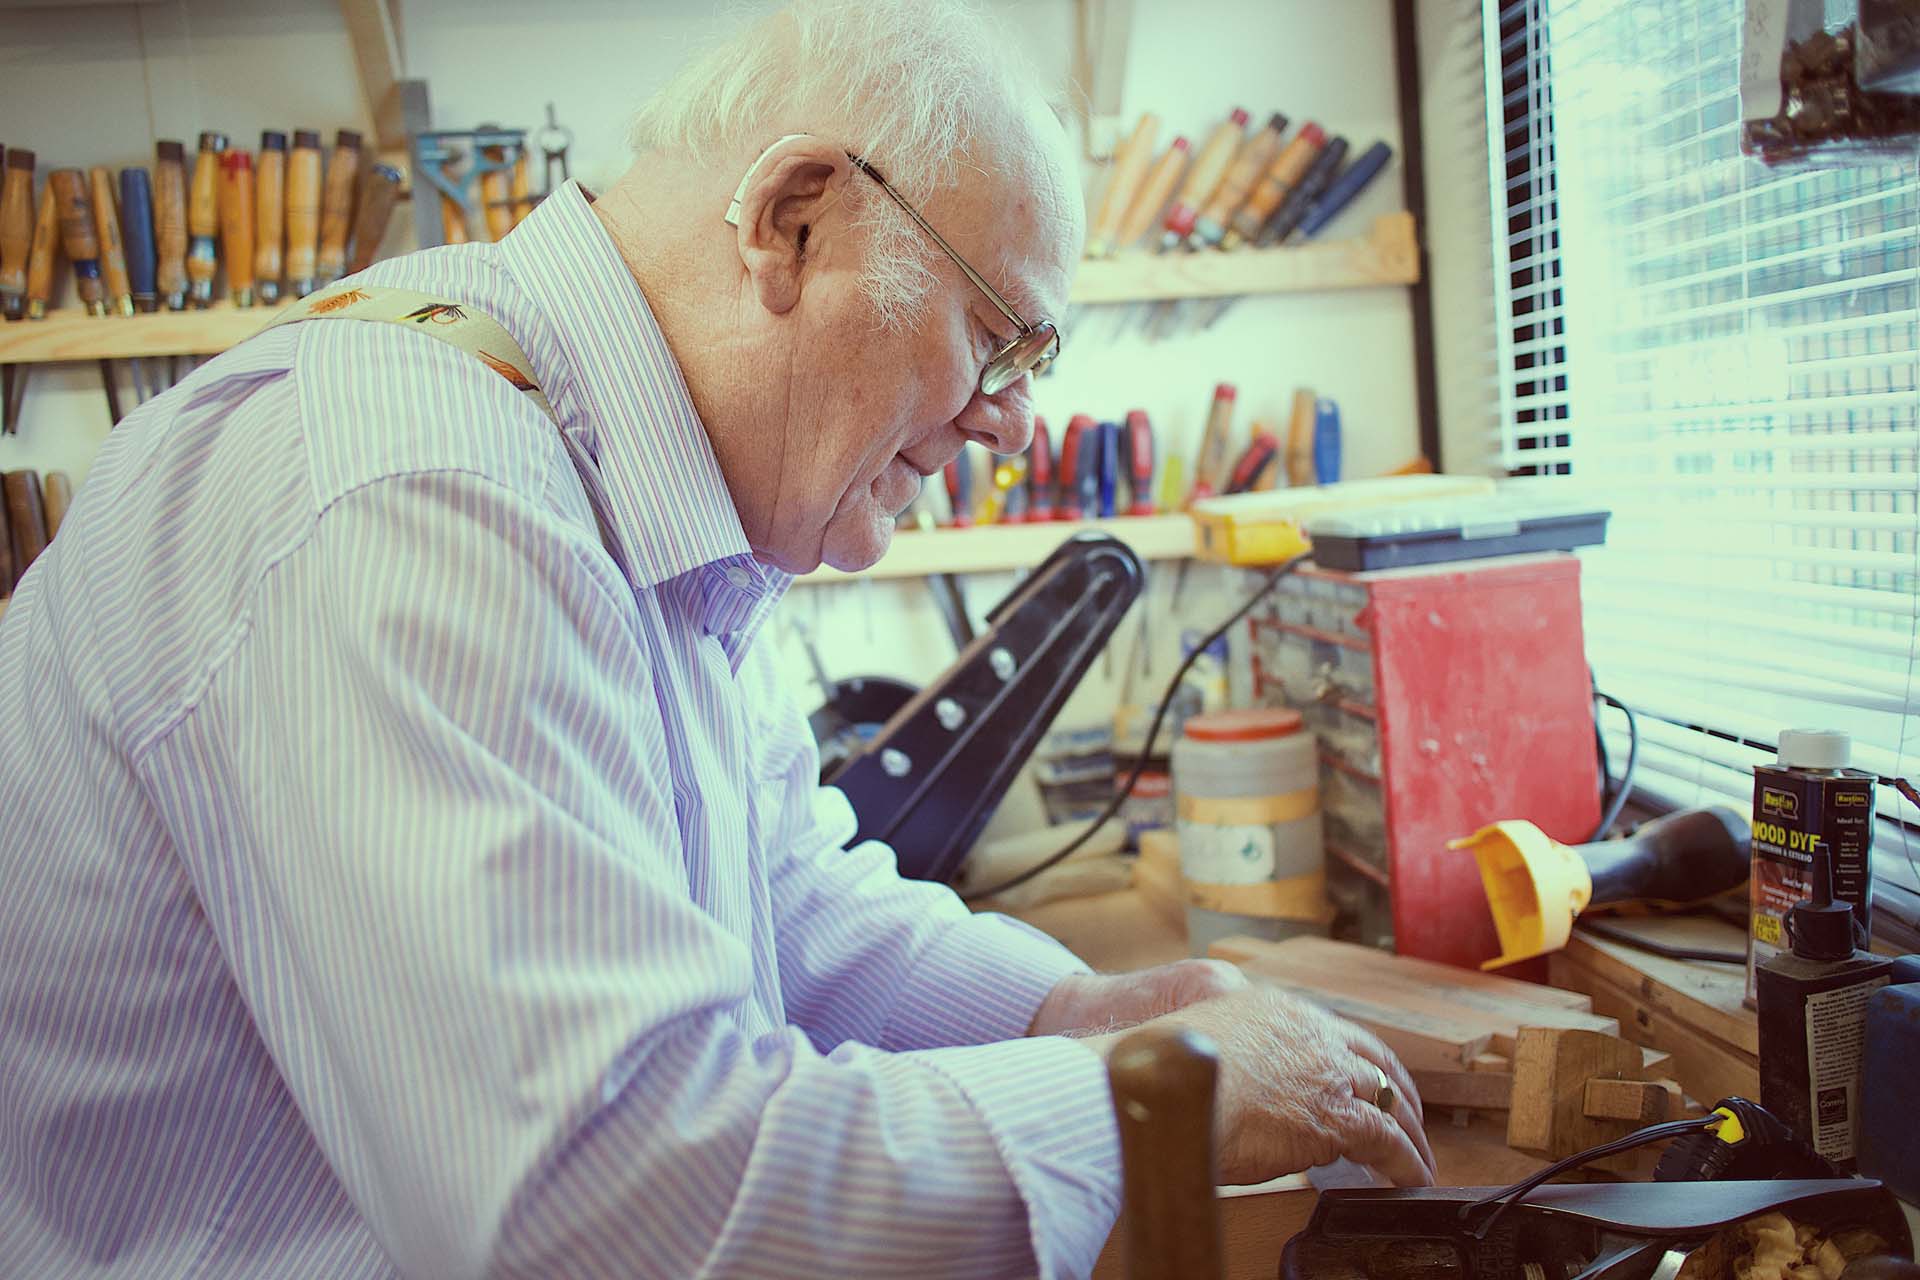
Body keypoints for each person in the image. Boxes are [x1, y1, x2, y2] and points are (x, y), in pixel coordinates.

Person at [0, 2, 1434, 1275]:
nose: (1016, 419)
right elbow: (619, 1205)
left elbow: (777, 898)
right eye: (1000, 335)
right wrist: (1145, 1100)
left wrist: (1081, 1005)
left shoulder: (627, 499)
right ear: (793, 221)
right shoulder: (417, 495)